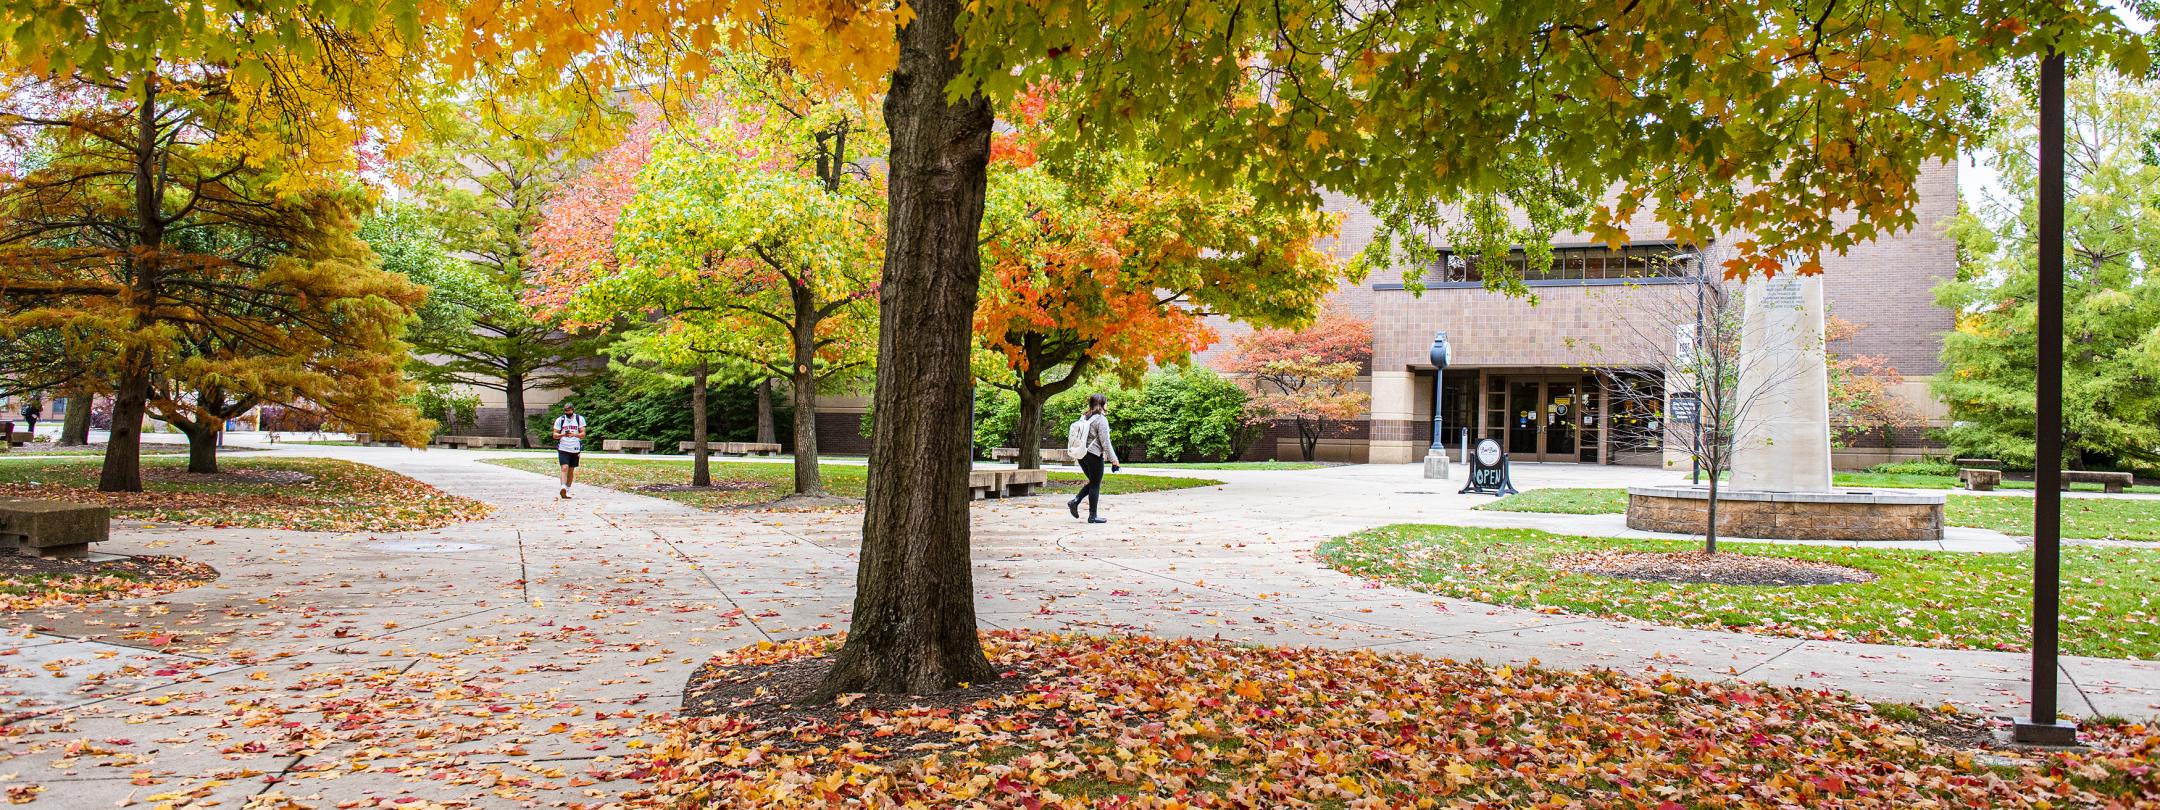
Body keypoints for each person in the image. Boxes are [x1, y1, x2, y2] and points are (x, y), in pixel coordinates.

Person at [1065, 393, 1121, 524]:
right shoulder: (1101, 420)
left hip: (1082, 454)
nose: (1107, 405)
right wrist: (1114, 459)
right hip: (1094, 455)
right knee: (1095, 484)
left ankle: (1075, 501)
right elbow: (1105, 442)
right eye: (1106, 402)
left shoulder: (1085, 417)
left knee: (1093, 482)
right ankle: (1092, 516)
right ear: (1102, 404)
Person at [552, 402, 586, 499]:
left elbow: (583, 434)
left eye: (569, 410)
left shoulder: (579, 419)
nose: (568, 412)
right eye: (566, 411)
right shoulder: (560, 420)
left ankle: (567, 489)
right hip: (563, 447)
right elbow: (554, 435)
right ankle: (562, 487)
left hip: (575, 448)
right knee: (564, 468)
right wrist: (563, 434)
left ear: (573, 410)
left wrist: (574, 434)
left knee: (571, 470)